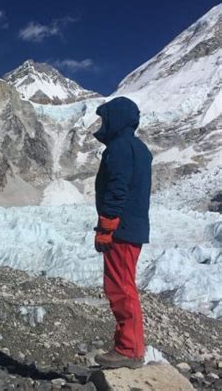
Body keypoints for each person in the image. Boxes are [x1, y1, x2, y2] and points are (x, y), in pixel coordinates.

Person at [92, 96, 152, 369]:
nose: (102, 124)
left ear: (116, 119)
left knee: (119, 289)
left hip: (121, 230)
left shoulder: (118, 148)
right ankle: (131, 348)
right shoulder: (139, 149)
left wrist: (106, 226)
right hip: (133, 228)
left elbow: (118, 188)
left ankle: (128, 350)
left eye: (105, 119)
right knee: (125, 287)